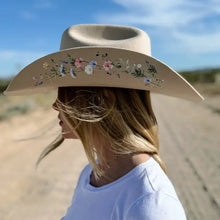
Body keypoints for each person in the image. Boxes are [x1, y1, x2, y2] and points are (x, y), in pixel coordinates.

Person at [4, 24, 204, 219]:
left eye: (64, 94)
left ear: (104, 101)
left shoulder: (151, 204)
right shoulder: (92, 173)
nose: (56, 105)